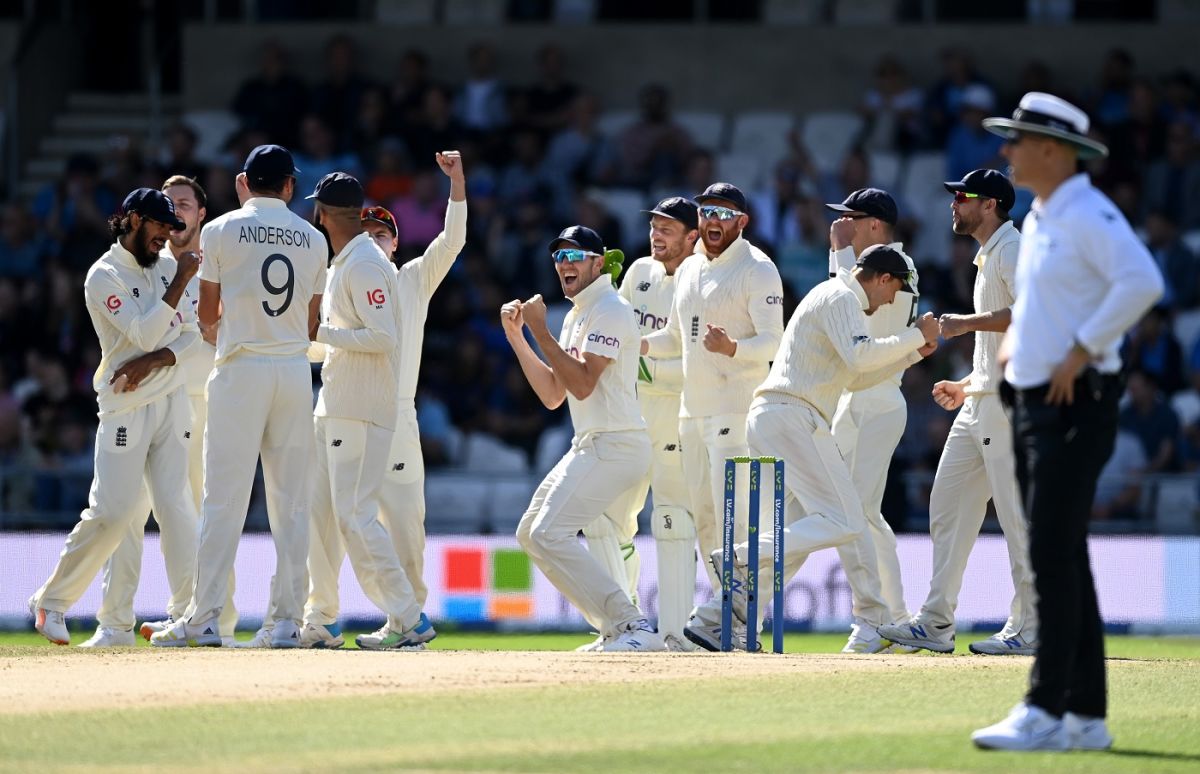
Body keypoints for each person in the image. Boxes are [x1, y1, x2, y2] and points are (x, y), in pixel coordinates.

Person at [970, 92, 1163, 751]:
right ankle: (1086, 717)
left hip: (1075, 403)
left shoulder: (1086, 210)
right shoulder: (1049, 213)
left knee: (1050, 551)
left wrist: (1082, 348)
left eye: (1017, 140)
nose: (1006, 150)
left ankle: (1044, 707)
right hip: (1034, 401)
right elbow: (1041, 302)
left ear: (1051, 149)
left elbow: (1141, 281)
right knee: (1062, 554)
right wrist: (1014, 345)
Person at [684, 245, 939, 650]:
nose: (892, 300)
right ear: (883, 278)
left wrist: (911, 354)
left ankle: (712, 617)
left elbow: (854, 378)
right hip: (793, 417)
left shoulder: (836, 298)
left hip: (781, 417)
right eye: (894, 290)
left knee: (804, 529)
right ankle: (740, 555)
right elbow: (859, 356)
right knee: (847, 520)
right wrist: (914, 336)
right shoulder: (840, 296)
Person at [151, 144, 327, 648]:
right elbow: (312, 322)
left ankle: (204, 619)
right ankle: (287, 623)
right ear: (290, 186)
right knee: (292, 503)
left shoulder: (220, 229)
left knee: (222, 500)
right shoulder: (314, 239)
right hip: (294, 372)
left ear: (244, 182)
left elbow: (207, 317)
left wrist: (226, 334)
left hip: (240, 368)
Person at [29, 189, 199, 645]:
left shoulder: (165, 266)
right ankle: (52, 600)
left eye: (172, 229)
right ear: (134, 220)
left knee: (177, 509)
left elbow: (191, 339)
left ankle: (190, 615)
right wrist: (179, 286)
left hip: (172, 401)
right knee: (114, 511)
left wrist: (153, 360)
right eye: (161, 226)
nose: (167, 236)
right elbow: (144, 331)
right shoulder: (103, 277)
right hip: (126, 404)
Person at [878, 169, 1036, 656]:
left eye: (963, 197)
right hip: (980, 401)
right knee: (946, 507)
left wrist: (965, 324)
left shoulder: (1012, 249)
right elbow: (998, 344)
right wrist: (967, 384)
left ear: (990, 205)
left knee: (1014, 516)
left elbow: (1030, 312)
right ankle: (936, 622)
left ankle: (1031, 627)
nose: (954, 204)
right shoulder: (987, 255)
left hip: (1007, 405)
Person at [81, 176, 241, 647]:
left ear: (200, 215)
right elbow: (137, 336)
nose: (176, 214)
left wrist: (158, 358)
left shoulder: (208, 268)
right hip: (149, 401)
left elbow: (212, 341)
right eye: (168, 206)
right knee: (126, 512)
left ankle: (207, 620)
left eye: (185, 205)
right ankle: (114, 623)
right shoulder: (148, 268)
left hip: (199, 402)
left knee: (195, 514)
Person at [505, 225, 665, 652]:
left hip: (618, 444)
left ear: (599, 262)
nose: (564, 265)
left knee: (547, 534)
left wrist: (541, 332)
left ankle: (631, 625)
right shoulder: (578, 314)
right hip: (592, 442)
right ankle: (615, 628)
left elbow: (582, 385)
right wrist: (520, 340)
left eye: (575, 256)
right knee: (529, 532)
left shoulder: (610, 308)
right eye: (558, 257)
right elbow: (554, 395)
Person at [300, 171, 434, 651]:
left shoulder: (365, 264)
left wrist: (320, 335)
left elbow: (383, 339)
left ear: (324, 214)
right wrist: (303, 344)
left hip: (359, 409)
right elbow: (336, 344)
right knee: (321, 516)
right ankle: (320, 618)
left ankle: (407, 616)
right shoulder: (342, 266)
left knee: (355, 516)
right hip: (334, 404)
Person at [641, 183, 785, 614]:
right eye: (707, 212)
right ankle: (729, 612)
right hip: (692, 412)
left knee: (735, 522)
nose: (713, 221)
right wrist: (633, 345)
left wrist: (734, 349)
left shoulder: (758, 269)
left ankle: (748, 621)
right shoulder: (688, 268)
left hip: (735, 410)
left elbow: (774, 343)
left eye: (723, 213)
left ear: (741, 221)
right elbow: (673, 337)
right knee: (706, 522)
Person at [581, 197, 699, 652]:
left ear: (692, 235)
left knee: (673, 521)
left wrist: (638, 365)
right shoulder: (638, 272)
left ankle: (679, 632)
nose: (656, 233)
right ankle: (623, 624)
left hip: (677, 415)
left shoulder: (698, 279)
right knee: (606, 520)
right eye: (654, 225)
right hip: (630, 415)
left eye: (667, 227)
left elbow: (694, 362)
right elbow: (618, 337)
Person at [363, 153, 467, 624]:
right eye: (362, 236)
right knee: (342, 521)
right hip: (345, 414)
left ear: (395, 245)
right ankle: (326, 613)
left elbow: (454, 239)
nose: (371, 242)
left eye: (380, 235)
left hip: (397, 416)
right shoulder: (334, 280)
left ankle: (409, 617)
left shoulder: (413, 279)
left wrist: (457, 183)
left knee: (406, 522)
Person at [823, 188, 919, 654]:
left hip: (878, 400)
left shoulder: (901, 269)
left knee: (855, 513)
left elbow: (855, 314)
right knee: (860, 515)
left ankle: (874, 620)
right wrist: (841, 254)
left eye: (852, 218)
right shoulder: (858, 268)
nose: (844, 225)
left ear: (876, 225)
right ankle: (891, 619)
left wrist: (840, 253)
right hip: (851, 402)